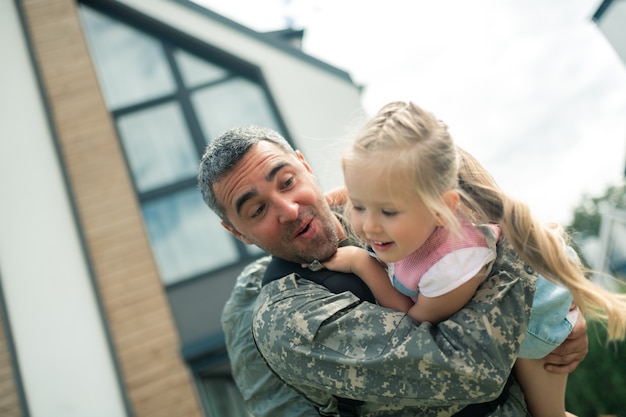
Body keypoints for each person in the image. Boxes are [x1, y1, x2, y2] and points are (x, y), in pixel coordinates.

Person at [198, 124, 590, 416]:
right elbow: (468, 368)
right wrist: (532, 286)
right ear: (236, 232)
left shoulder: (372, 206)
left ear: (305, 166)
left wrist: (556, 319)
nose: (288, 209)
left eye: (286, 181)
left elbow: (467, 225)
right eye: (257, 210)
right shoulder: (288, 320)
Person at [315, 101, 626, 417]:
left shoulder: (454, 263)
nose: (368, 226)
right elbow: (366, 190)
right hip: (507, 309)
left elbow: (415, 319)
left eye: (388, 211)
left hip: (536, 323)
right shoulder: (402, 205)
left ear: (443, 208)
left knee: (548, 415)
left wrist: (361, 263)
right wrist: (320, 204)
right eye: (358, 206)